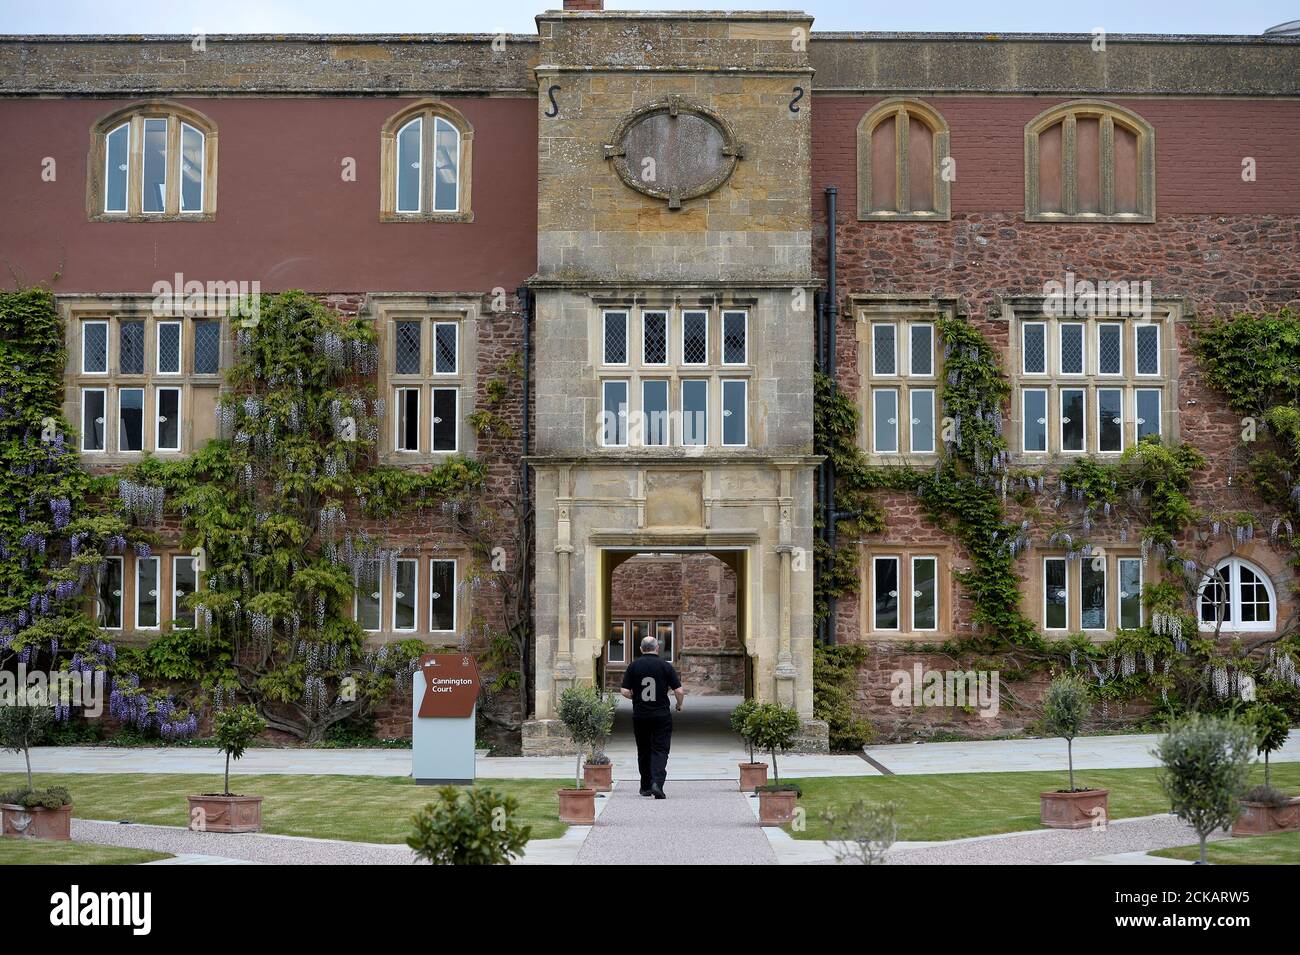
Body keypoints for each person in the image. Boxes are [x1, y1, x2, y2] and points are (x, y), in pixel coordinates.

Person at [619, 635, 683, 799]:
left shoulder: (634, 666)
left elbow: (624, 691)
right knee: (660, 750)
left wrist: (637, 697)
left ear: (641, 649)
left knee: (643, 750)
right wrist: (679, 704)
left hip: (640, 715)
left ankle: (646, 786)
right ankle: (657, 783)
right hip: (661, 714)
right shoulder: (665, 666)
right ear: (657, 648)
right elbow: (679, 690)